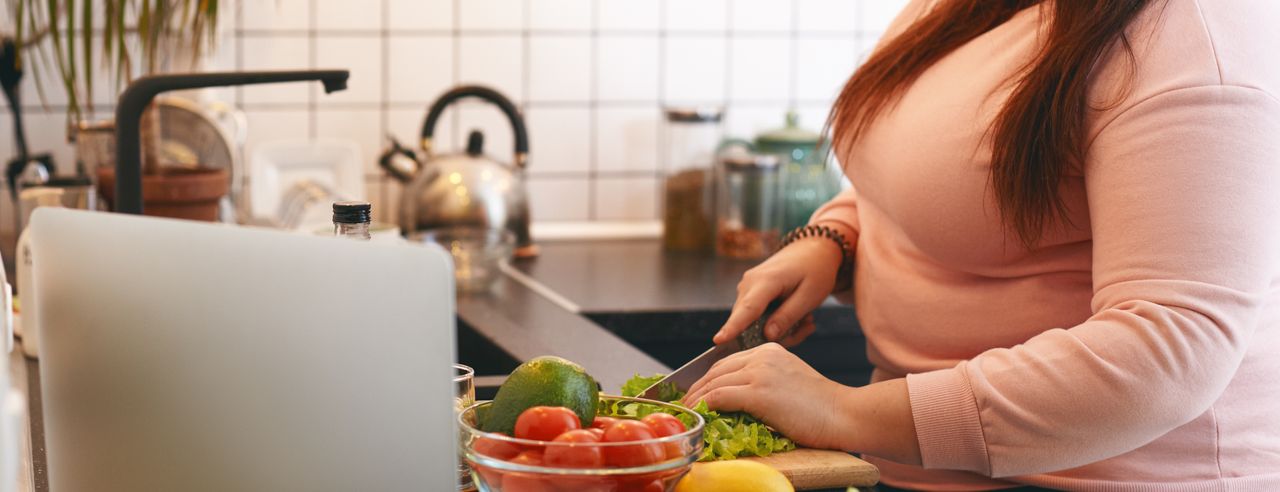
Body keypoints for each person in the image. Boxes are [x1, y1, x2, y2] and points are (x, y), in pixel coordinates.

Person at [681, 0, 1280, 489]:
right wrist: (834, 238)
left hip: (1094, 478)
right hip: (913, 467)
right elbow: (927, 171)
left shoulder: (1194, 36)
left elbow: (1168, 351)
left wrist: (843, 412)